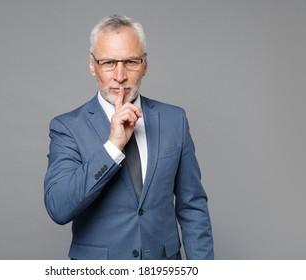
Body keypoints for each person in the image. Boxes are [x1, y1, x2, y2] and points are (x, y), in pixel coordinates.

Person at [44, 15, 214, 260]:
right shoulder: (67, 127)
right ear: (93, 65)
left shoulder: (174, 120)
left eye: (131, 62)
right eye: (109, 63)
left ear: (145, 64)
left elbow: (192, 207)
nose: (120, 75)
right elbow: (58, 208)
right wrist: (113, 146)